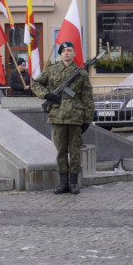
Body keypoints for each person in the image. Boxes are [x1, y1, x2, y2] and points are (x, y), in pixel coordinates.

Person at [31, 42, 94, 194]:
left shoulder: (82, 74)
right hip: (57, 116)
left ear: (74, 54)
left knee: (74, 151)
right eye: (64, 51)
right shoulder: (52, 70)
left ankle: (73, 183)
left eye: (69, 50)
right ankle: (63, 182)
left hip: (75, 117)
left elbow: (87, 98)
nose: (66, 53)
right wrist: (47, 95)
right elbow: (35, 84)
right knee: (60, 151)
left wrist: (87, 119)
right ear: (60, 54)